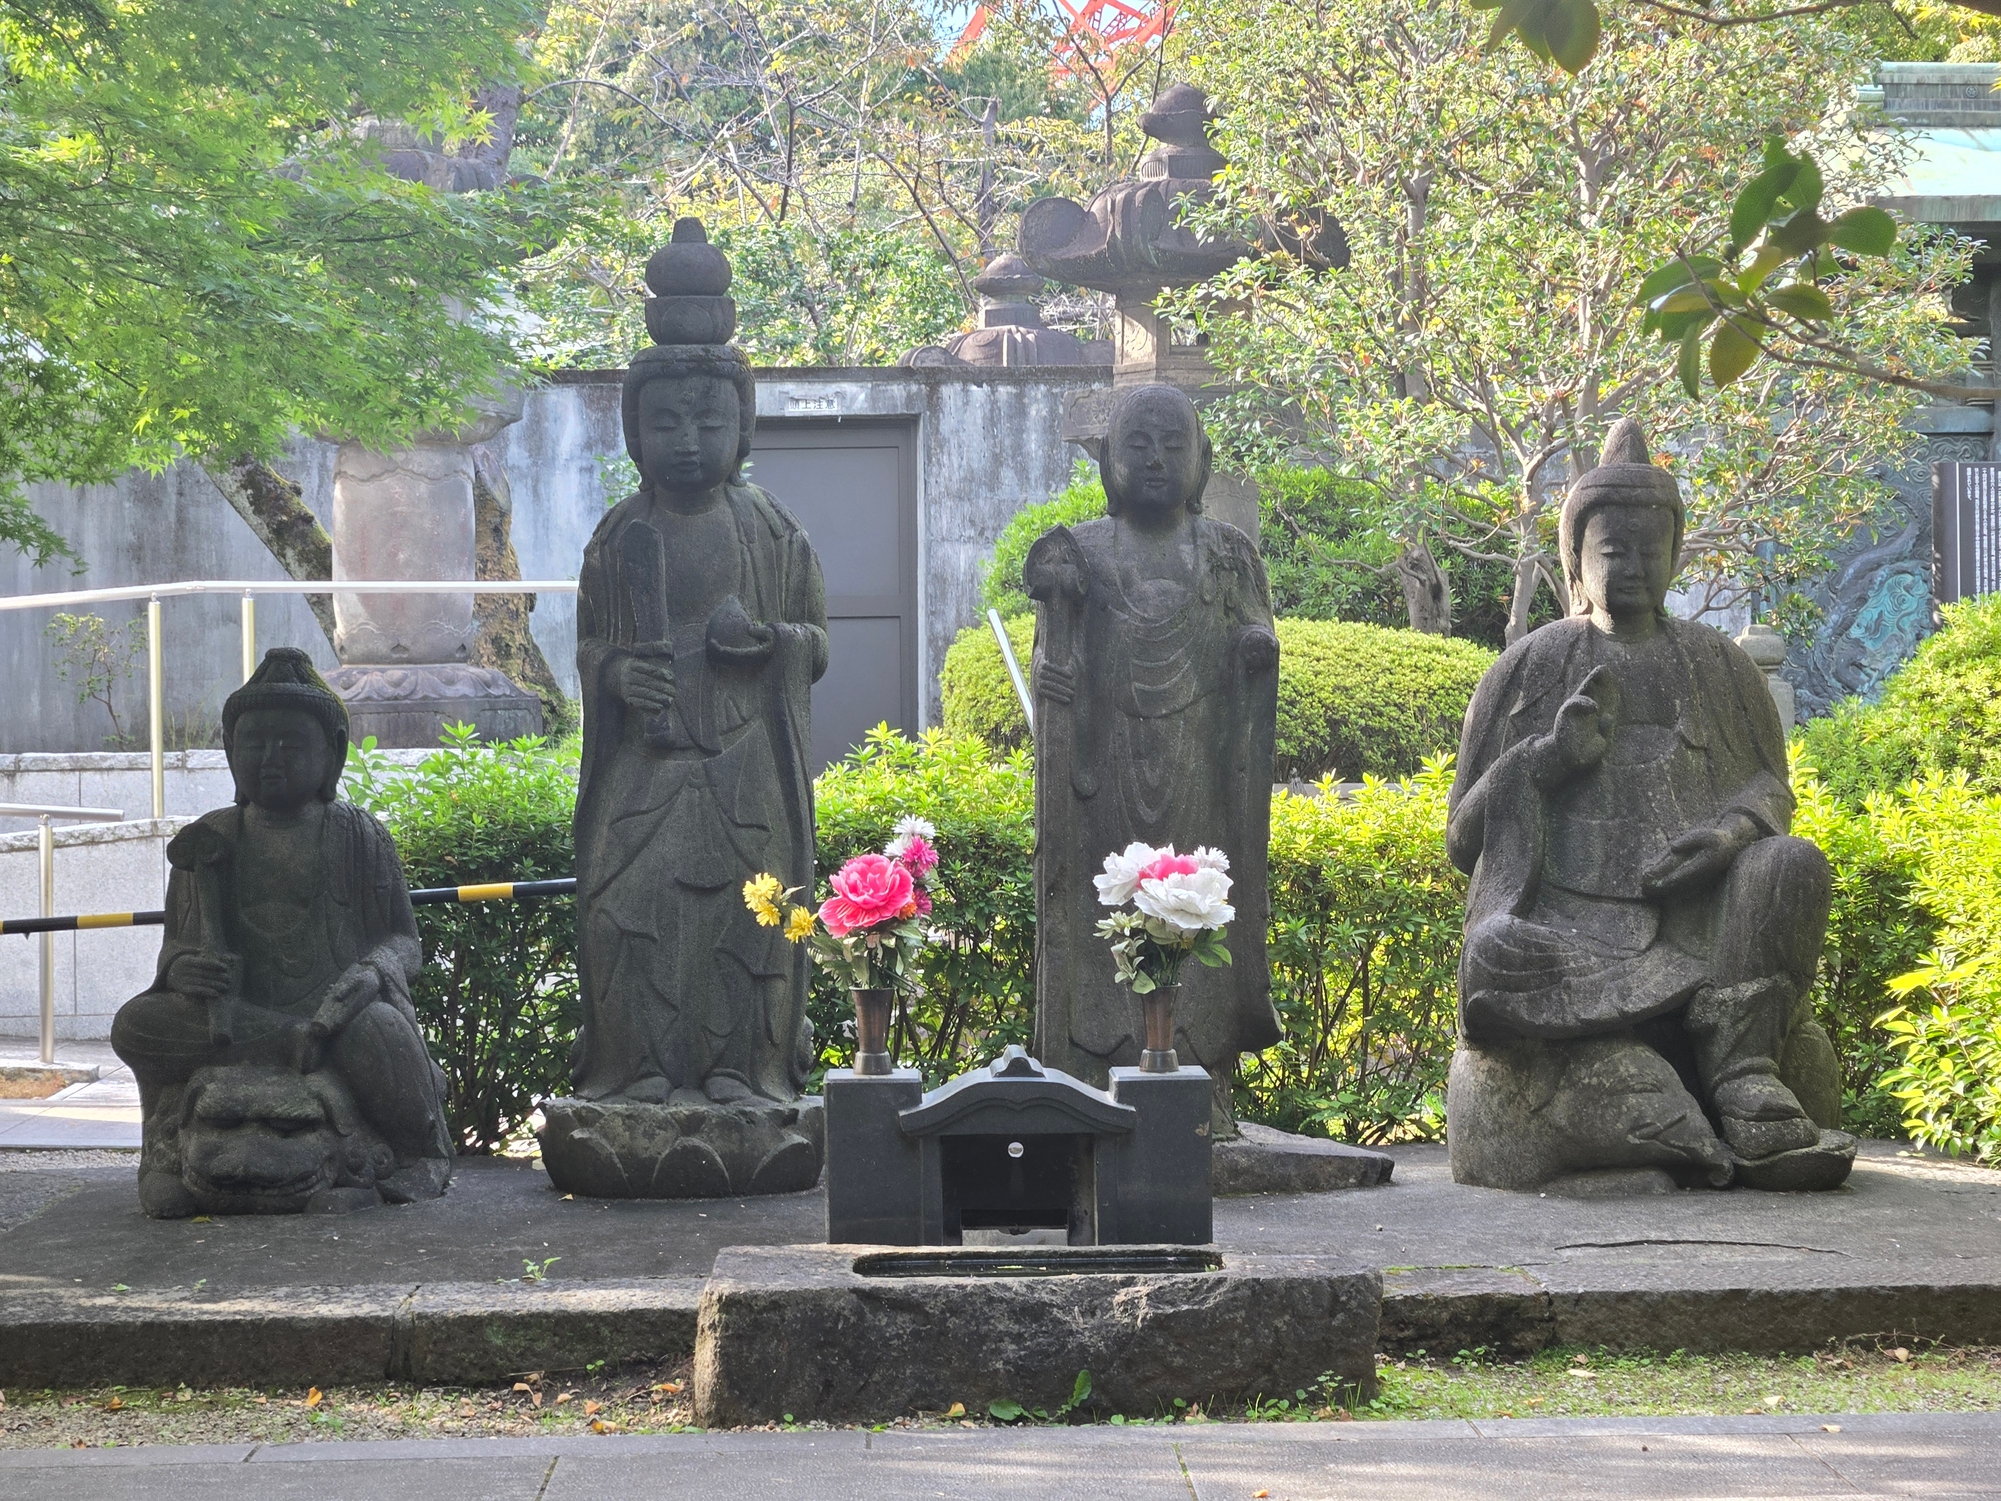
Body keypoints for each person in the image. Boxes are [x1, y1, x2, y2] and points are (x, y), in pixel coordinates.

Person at [1446, 419, 1854, 1191]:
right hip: (1566, 928)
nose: (1632, 567)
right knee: (1493, 953)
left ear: (1675, 556)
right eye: (1612, 551)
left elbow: (1772, 788)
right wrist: (1546, 760)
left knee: (1790, 864)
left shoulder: (1718, 666)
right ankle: (1623, 1076)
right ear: (1576, 557)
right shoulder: (1526, 668)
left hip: (1698, 920)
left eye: (1648, 550)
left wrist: (1730, 834)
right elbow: (1463, 840)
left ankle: (1741, 1070)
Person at [570, 317, 827, 1107]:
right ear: (634, 433)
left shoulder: (773, 531)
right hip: (645, 766)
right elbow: (589, 644)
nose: (687, 440)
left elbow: (814, 644)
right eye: (666, 421)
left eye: (710, 422)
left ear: (742, 428)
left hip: (744, 766)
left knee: (749, 920)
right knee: (622, 911)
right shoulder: (618, 536)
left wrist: (769, 643)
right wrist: (615, 675)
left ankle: (741, 1070)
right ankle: (636, 1069)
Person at [111, 648, 450, 1216]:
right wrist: (182, 970)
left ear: (332, 755)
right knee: (137, 1025)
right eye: (254, 744)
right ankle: (174, 1144)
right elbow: (178, 947)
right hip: (243, 1020)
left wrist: (369, 975)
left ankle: (423, 1152)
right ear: (230, 751)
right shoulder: (210, 839)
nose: (270, 758)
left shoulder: (359, 836)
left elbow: (403, 942)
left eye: (291, 744)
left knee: (383, 1031)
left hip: (336, 1016)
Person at [1027, 382, 1281, 1130]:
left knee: (1197, 909)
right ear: (1106, 459)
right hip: (1100, 774)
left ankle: (1201, 1084)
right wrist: (1055, 658)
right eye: (1137, 446)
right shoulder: (1084, 548)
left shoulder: (1227, 553)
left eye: (1174, 446)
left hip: (1198, 767)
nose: (1156, 461)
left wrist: (1253, 652)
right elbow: (1057, 651)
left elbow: (1253, 636)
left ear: (1202, 462)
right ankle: (1087, 1073)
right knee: (1100, 908)